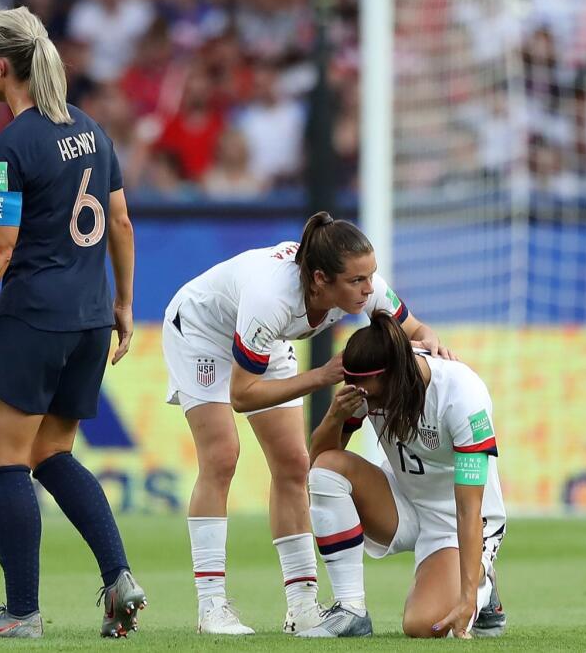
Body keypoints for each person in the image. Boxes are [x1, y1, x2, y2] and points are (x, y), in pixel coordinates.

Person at [0, 6, 143, 639]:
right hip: (91, 320)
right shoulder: (94, 131)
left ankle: (21, 612)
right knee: (53, 452)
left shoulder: (7, 148)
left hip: (33, 318)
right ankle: (119, 576)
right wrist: (124, 304)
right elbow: (121, 221)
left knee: (8, 460)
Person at [162, 211, 454, 635]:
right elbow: (242, 395)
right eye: (358, 281)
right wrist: (322, 376)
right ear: (320, 279)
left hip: (265, 340)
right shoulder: (272, 299)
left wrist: (430, 343)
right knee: (222, 456)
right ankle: (212, 608)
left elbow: (417, 329)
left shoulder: (361, 288)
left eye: (371, 276)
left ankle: (302, 606)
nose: (369, 288)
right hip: (202, 332)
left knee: (294, 465)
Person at [299, 312, 506, 639]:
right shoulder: (368, 385)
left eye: (372, 395)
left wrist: (467, 599)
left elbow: (469, 509)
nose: (368, 402)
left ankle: (481, 584)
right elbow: (318, 460)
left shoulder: (463, 396)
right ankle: (350, 610)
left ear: (395, 376)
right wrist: (335, 416)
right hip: (404, 500)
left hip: (457, 521)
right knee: (327, 471)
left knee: (424, 626)